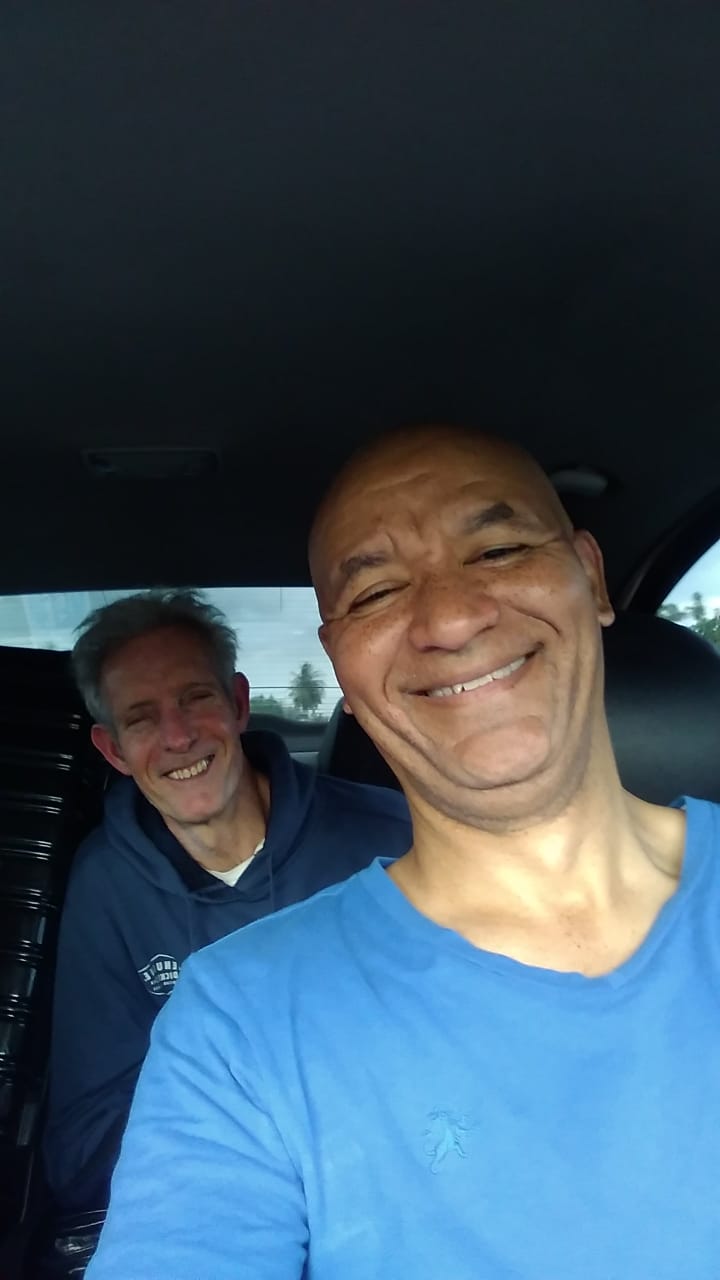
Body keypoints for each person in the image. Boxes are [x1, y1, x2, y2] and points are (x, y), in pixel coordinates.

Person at [86, 429, 720, 1279]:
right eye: (378, 591)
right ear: (340, 667)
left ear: (591, 578)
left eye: (497, 550)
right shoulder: (234, 1021)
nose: (451, 617)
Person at [43, 588, 411, 1218]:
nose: (178, 735)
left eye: (196, 699)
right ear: (113, 751)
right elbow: (81, 1153)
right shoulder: (108, 887)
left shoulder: (393, 835)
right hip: (229, 1211)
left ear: (238, 704)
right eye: (142, 719)